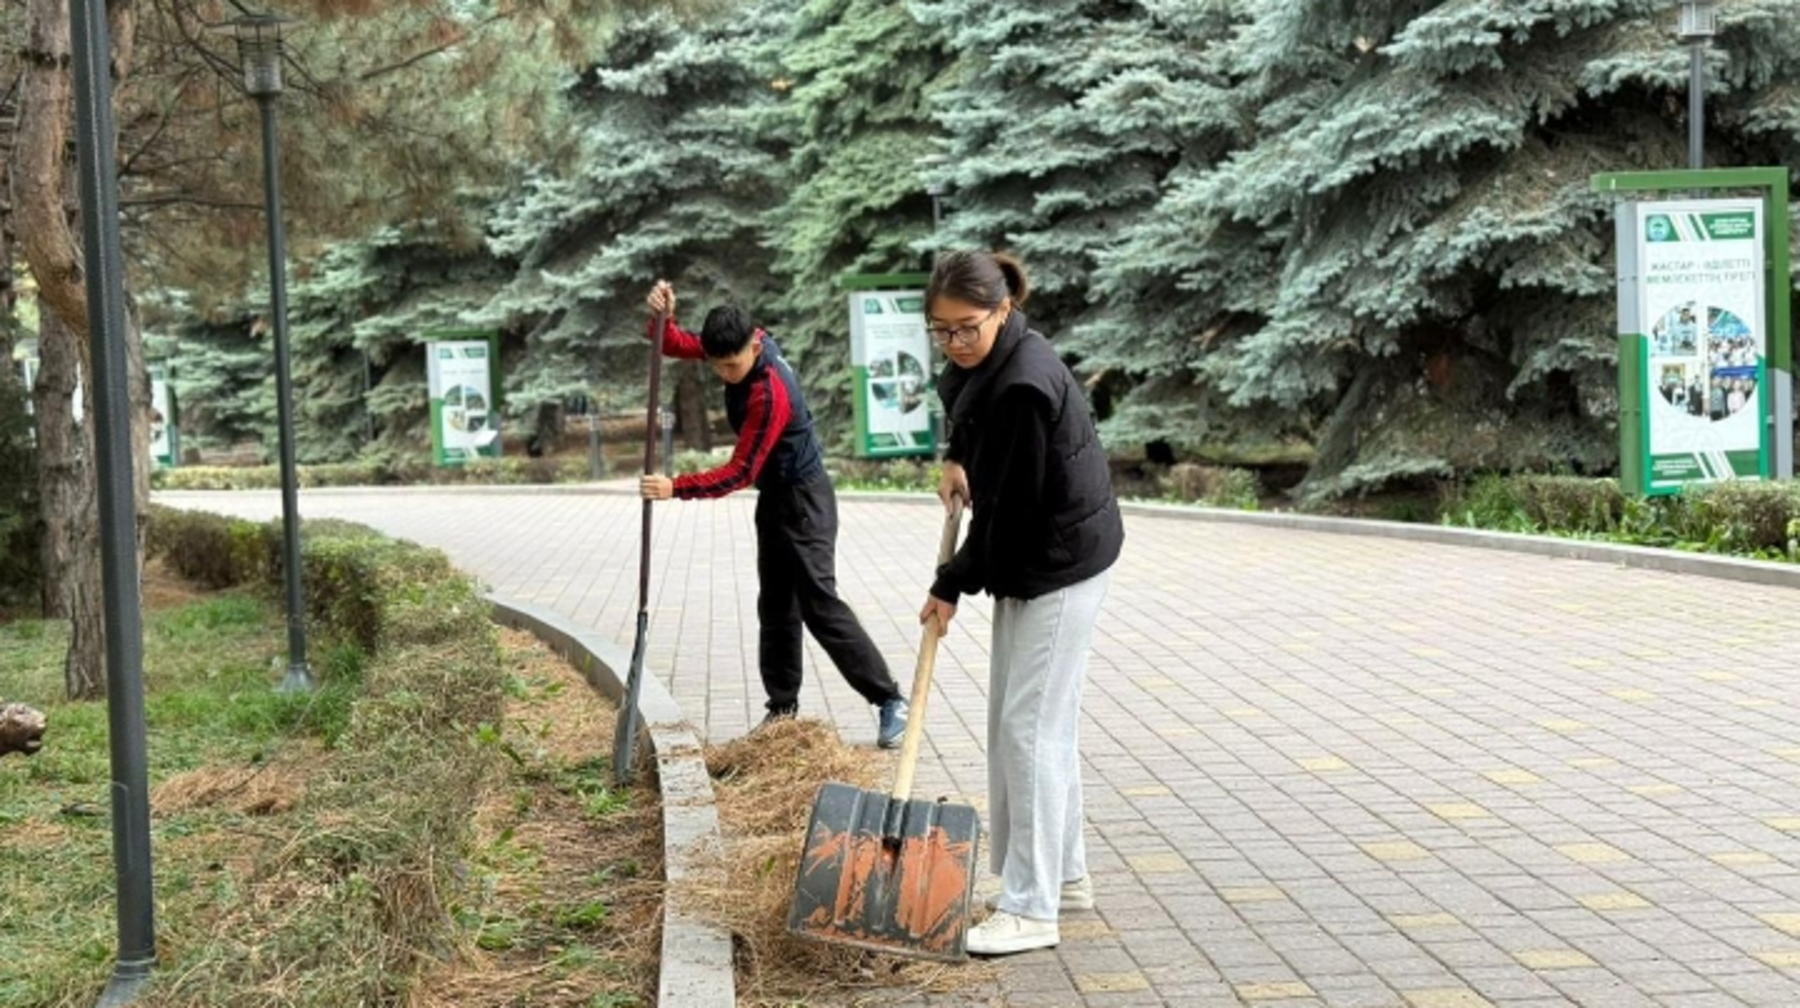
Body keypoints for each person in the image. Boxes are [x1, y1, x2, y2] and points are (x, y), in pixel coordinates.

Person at [916, 251, 1124, 956]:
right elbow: (965, 407)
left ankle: (1032, 909)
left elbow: (1007, 517)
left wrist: (950, 584)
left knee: (1026, 730)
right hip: (1037, 557)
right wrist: (954, 457)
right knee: (1033, 725)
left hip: (1057, 562)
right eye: (939, 331)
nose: (953, 344)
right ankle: (1062, 878)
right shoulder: (990, 361)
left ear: (1002, 310)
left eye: (966, 328)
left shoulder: (1024, 386)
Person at [637, 280, 909, 748]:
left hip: (804, 500)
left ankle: (889, 700)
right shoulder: (734, 342)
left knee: (819, 604)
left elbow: (739, 472)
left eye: (732, 364)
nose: (725, 373)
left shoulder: (768, 393)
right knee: (776, 606)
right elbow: (673, 343)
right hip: (777, 499)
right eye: (717, 364)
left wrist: (674, 487)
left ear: (755, 345)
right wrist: (663, 315)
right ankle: (782, 711)